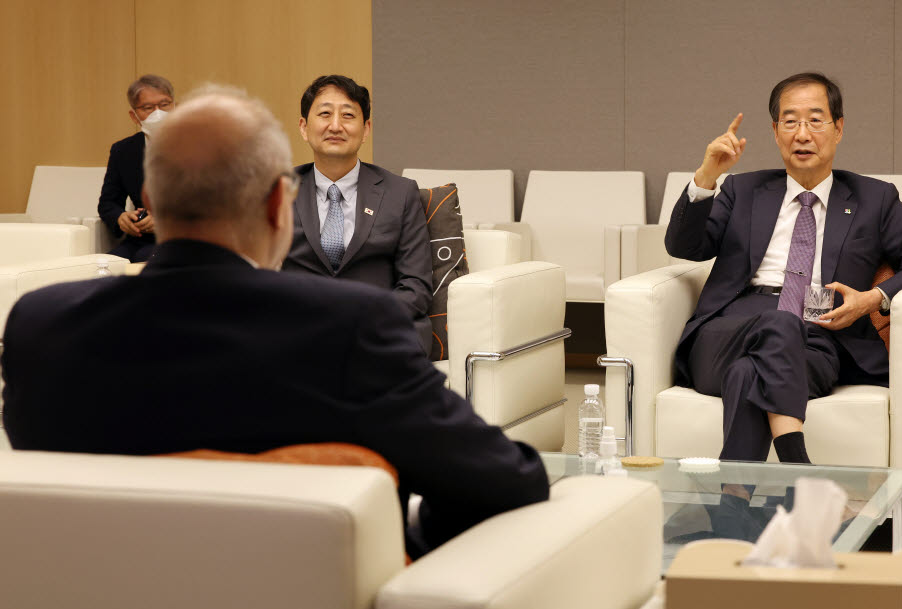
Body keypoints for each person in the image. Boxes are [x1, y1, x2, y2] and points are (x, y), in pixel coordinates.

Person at [1, 86, 548, 557]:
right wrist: (404, 545)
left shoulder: (40, 322)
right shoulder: (352, 329)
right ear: (277, 207)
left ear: (151, 201)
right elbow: (506, 480)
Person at [665, 72, 902, 464]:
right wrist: (707, 177)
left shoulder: (873, 199)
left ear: (838, 129)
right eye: (790, 121)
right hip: (727, 334)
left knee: (747, 376)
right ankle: (797, 465)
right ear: (774, 130)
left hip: (819, 339)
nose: (802, 134)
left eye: (815, 120)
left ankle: (734, 502)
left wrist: (874, 299)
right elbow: (684, 247)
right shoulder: (741, 190)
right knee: (779, 322)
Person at [282, 75, 434, 352]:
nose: (335, 125)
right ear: (304, 127)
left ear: (365, 129)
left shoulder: (400, 193)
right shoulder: (277, 193)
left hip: (378, 333)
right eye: (325, 114)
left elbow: (416, 286)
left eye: (348, 115)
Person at [97, 74, 175, 262]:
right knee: (100, 266)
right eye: (148, 108)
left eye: (164, 105)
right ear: (134, 116)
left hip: (183, 241)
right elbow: (108, 203)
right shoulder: (123, 150)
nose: (158, 113)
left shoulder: (201, 145)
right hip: (140, 239)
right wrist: (121, 218)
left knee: (146, 260)